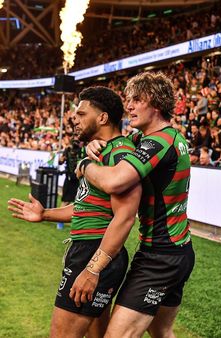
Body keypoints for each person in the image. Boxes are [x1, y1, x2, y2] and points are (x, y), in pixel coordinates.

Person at [8, 86, 141, 338]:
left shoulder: (119, 153)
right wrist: (45, 213)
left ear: (102, 118)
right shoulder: (101, 151)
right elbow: (85, 207)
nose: (74, 118)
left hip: (95, 252)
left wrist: (92, 269)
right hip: (91, 250)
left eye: (81, 113)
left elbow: (125, 217)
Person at [76, 72, 195, 338]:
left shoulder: (158, 142)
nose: (128, 106)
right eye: (128, 99)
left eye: (137, 99)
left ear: (156, 104)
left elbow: (115, 182)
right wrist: (95, 144)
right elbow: (116, 144)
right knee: (162, 330)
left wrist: (85, 166)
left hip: (160, 257)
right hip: (178, 250)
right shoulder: (157, 139)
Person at [58, 135, 85, 207]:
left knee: (77, 201)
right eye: (74, 140)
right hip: (69, 178)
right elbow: (60, 162)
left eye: (77, 140)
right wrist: (61, 159)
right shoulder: (68, 150)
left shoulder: (82, 150)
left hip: (78, 179)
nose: (76, 142)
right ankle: (60, 217)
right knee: (66, 200)